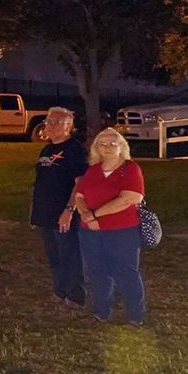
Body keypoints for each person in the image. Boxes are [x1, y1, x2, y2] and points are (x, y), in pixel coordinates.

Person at [72, 128, 147, 326]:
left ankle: (135, 317)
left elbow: (129, 198)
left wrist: (95, 215)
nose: (108, 147)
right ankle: (101, 312)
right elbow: (80, 196)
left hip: (121, 231)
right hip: (89, 231)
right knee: (97, 271)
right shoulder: (93, 169)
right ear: (96, 147)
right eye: (102, 144)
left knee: (126, 272)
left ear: (122, 146)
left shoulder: (130, 169)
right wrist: (86, 215)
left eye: (113, 143)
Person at [29, 107, 86, 307]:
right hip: (46, 212)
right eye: (48, 121)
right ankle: (59, 292)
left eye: (56, 122)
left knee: (69, 255)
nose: (50, 125)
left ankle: (75, 296)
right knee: (54, 256)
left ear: (69, 127)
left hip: (64, 213)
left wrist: (69, 211)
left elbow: (80, 184)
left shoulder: (74, 150)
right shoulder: (47, 150)